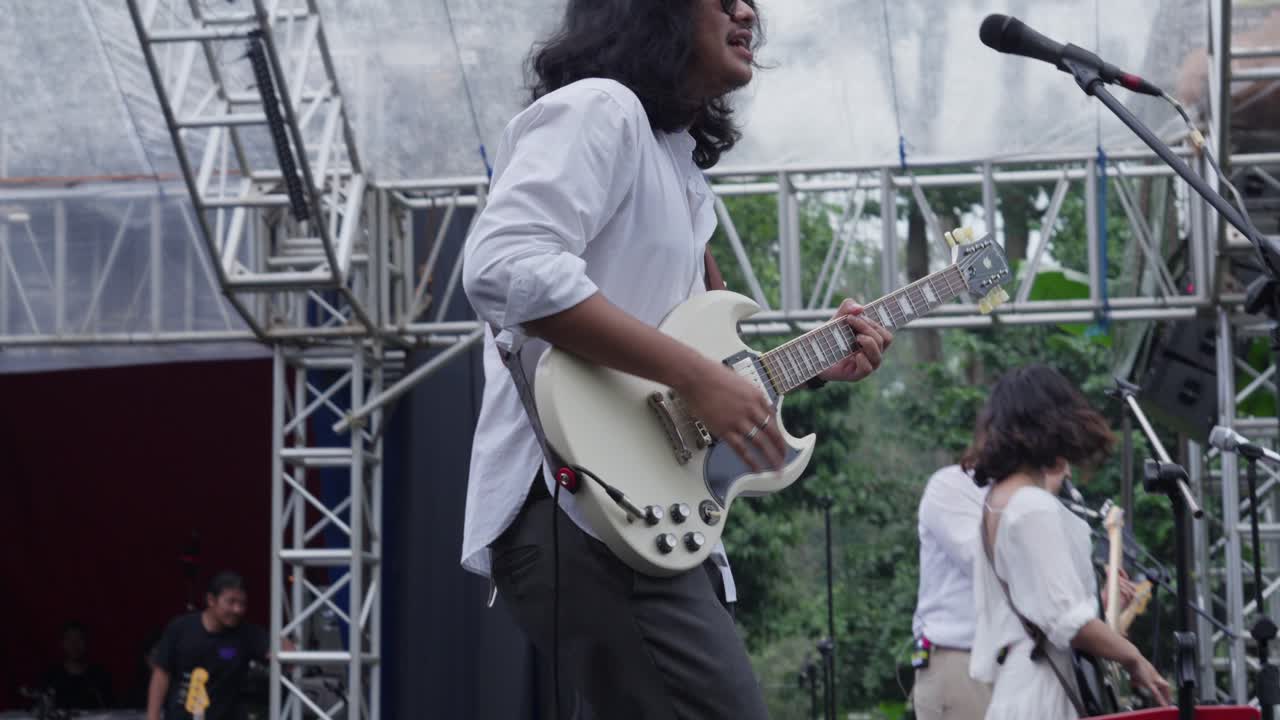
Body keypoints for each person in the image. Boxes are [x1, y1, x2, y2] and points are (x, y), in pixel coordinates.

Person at [459, 0, 895, 717]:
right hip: (583, 510)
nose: (746, 10)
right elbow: (504, 266)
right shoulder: (602, 109)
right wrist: (696, 376)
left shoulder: (678, 166)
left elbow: (686, 366)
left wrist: (810, 366)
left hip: (640, 523)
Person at [965, 365, 1172, 719]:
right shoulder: (1032, 506)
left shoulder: (998, 501)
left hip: (1021, 684)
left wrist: (1094, 604)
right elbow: (1067, 623)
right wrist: (1134, 658)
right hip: (1045, 691)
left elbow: (1042, 606)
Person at [910, 465, 991, 720]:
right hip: (959, 658)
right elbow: (981, 563)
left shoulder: (1032, 496)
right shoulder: (952, 485)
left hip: (1011, 666)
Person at [147, 571, 268, 720]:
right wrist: (152, 717)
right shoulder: (180, 628)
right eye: (231, 602)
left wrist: (284, 645)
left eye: (242, 604)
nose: (237, 609)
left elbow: (278, 649)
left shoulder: (247, 634)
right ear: (211, 600)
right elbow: (161, 674)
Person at [38, 621, 114, 710]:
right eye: (69, 639)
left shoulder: (99, 675)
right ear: (62, 643)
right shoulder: (51, 676)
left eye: (79, 639)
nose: (74, 644)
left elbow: (110, 709)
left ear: (86, 642)